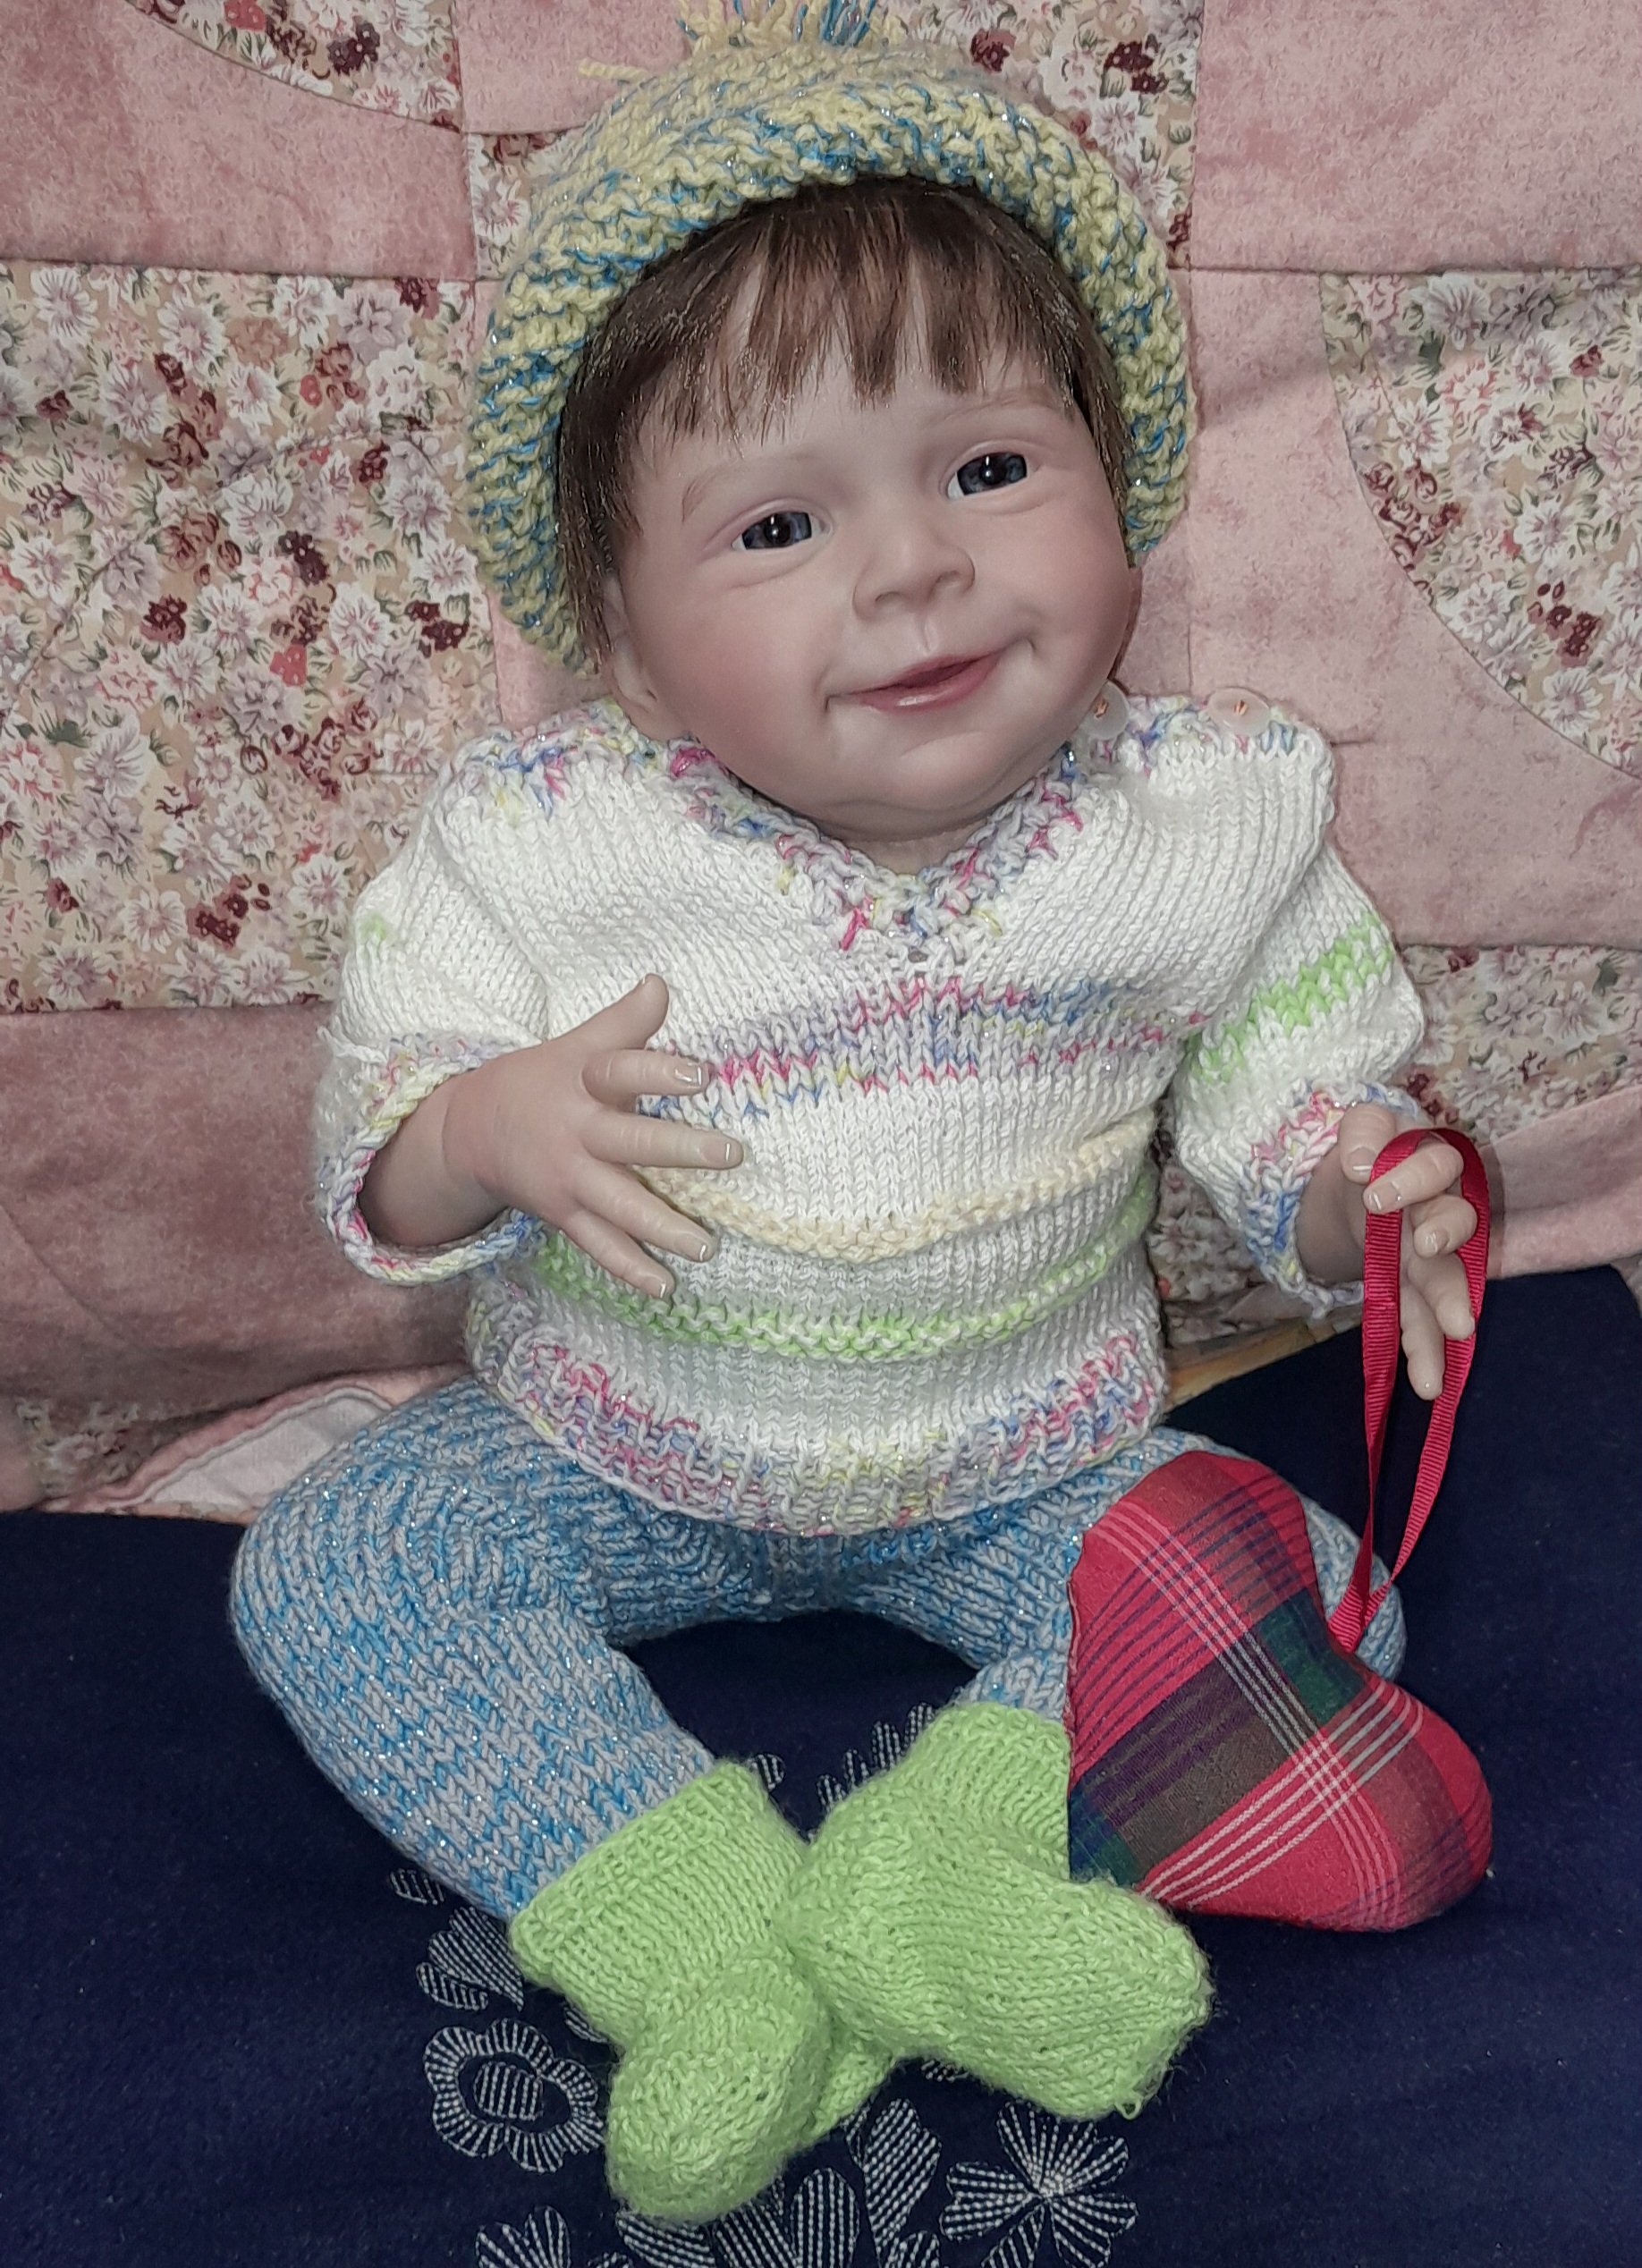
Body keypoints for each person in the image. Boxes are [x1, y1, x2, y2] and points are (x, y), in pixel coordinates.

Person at [230, 0, 1482, 2225]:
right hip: (612, 1442)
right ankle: (699, 1928)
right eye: (783, 520)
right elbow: (385, 1157)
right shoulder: (543, 844)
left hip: (1027, 1453)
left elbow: (1285, 1101)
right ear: (624, 637)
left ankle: (950, 1866)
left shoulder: (1200, 821)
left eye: (988, 470)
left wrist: (1356, 1196)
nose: (912, 568)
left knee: (1319, 1579)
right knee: (342, 1563)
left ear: (1118, 485)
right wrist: (487, 1128)